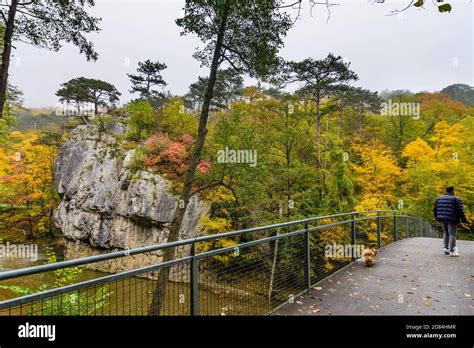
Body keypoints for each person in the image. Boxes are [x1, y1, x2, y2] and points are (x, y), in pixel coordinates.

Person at [433, 186, 467, 257]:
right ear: (452, 191)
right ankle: (452, 250)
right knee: (452, 234)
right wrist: (464, 219)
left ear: (446, 191)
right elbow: (461, 210)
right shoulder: (456, 199)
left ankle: (446, 248)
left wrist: (437, 218)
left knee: (446, 232)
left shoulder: (439, 198)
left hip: (442, 218)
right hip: (452, 219)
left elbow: (435, 209)